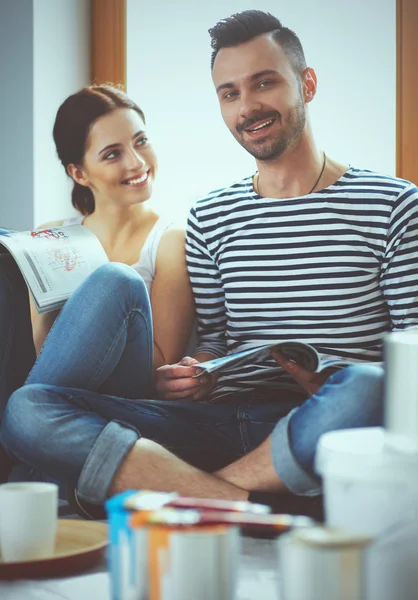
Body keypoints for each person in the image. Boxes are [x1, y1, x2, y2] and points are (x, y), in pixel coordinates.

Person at [1, 10, 418, 515]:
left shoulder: (393, 205)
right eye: (230, 93)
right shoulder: (211, 215)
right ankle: (241, 504)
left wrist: (326, 379)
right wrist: (197, 372)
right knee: (28, 409)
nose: (248, 106)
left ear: (307, 84)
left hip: (323, 418)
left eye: (264, 83)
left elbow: (410, 362)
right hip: (219, 424)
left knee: (368, 387)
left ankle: (189, 495)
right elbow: (217, 342)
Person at [0, 85, 194, 482]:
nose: (137, 162)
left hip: (129, 401)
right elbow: (42, 354)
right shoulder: (53, 235)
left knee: (116, 279)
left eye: (141, 141)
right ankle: (29, 440)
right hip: (57, 395)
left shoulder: (171, 238)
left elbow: (159, 365)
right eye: (113, 153)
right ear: (78, 172)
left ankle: (19, 449)